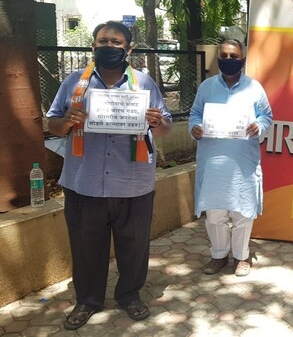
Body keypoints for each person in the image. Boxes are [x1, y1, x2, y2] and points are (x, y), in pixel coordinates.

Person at [46, 21, 172, 330]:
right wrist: (67, 121)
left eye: (116, 42)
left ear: (128, 49)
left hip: (133, 183)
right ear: (93, 46)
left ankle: (129, 294)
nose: (109, 46)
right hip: (84, 183)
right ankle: (88, 300)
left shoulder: (145, 83)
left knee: (134, 245)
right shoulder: (74, 82)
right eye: (103, 41)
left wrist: (157, 122)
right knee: (85, 246)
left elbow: (166, 127)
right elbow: (53, 124)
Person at [189, 39, 273, 277]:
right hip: (213, 161)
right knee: (215, 212)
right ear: (218, 59)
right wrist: (194, 127)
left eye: (233, 56)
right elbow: (195, 113)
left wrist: (259, 126)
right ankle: (218, 256)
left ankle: (241, 256)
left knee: (242, 212)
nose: (228, 60)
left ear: (243, 60)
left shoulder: (254, 88)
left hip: (242, 161)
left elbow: (267, 116)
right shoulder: (206, 87)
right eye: (224, 56)